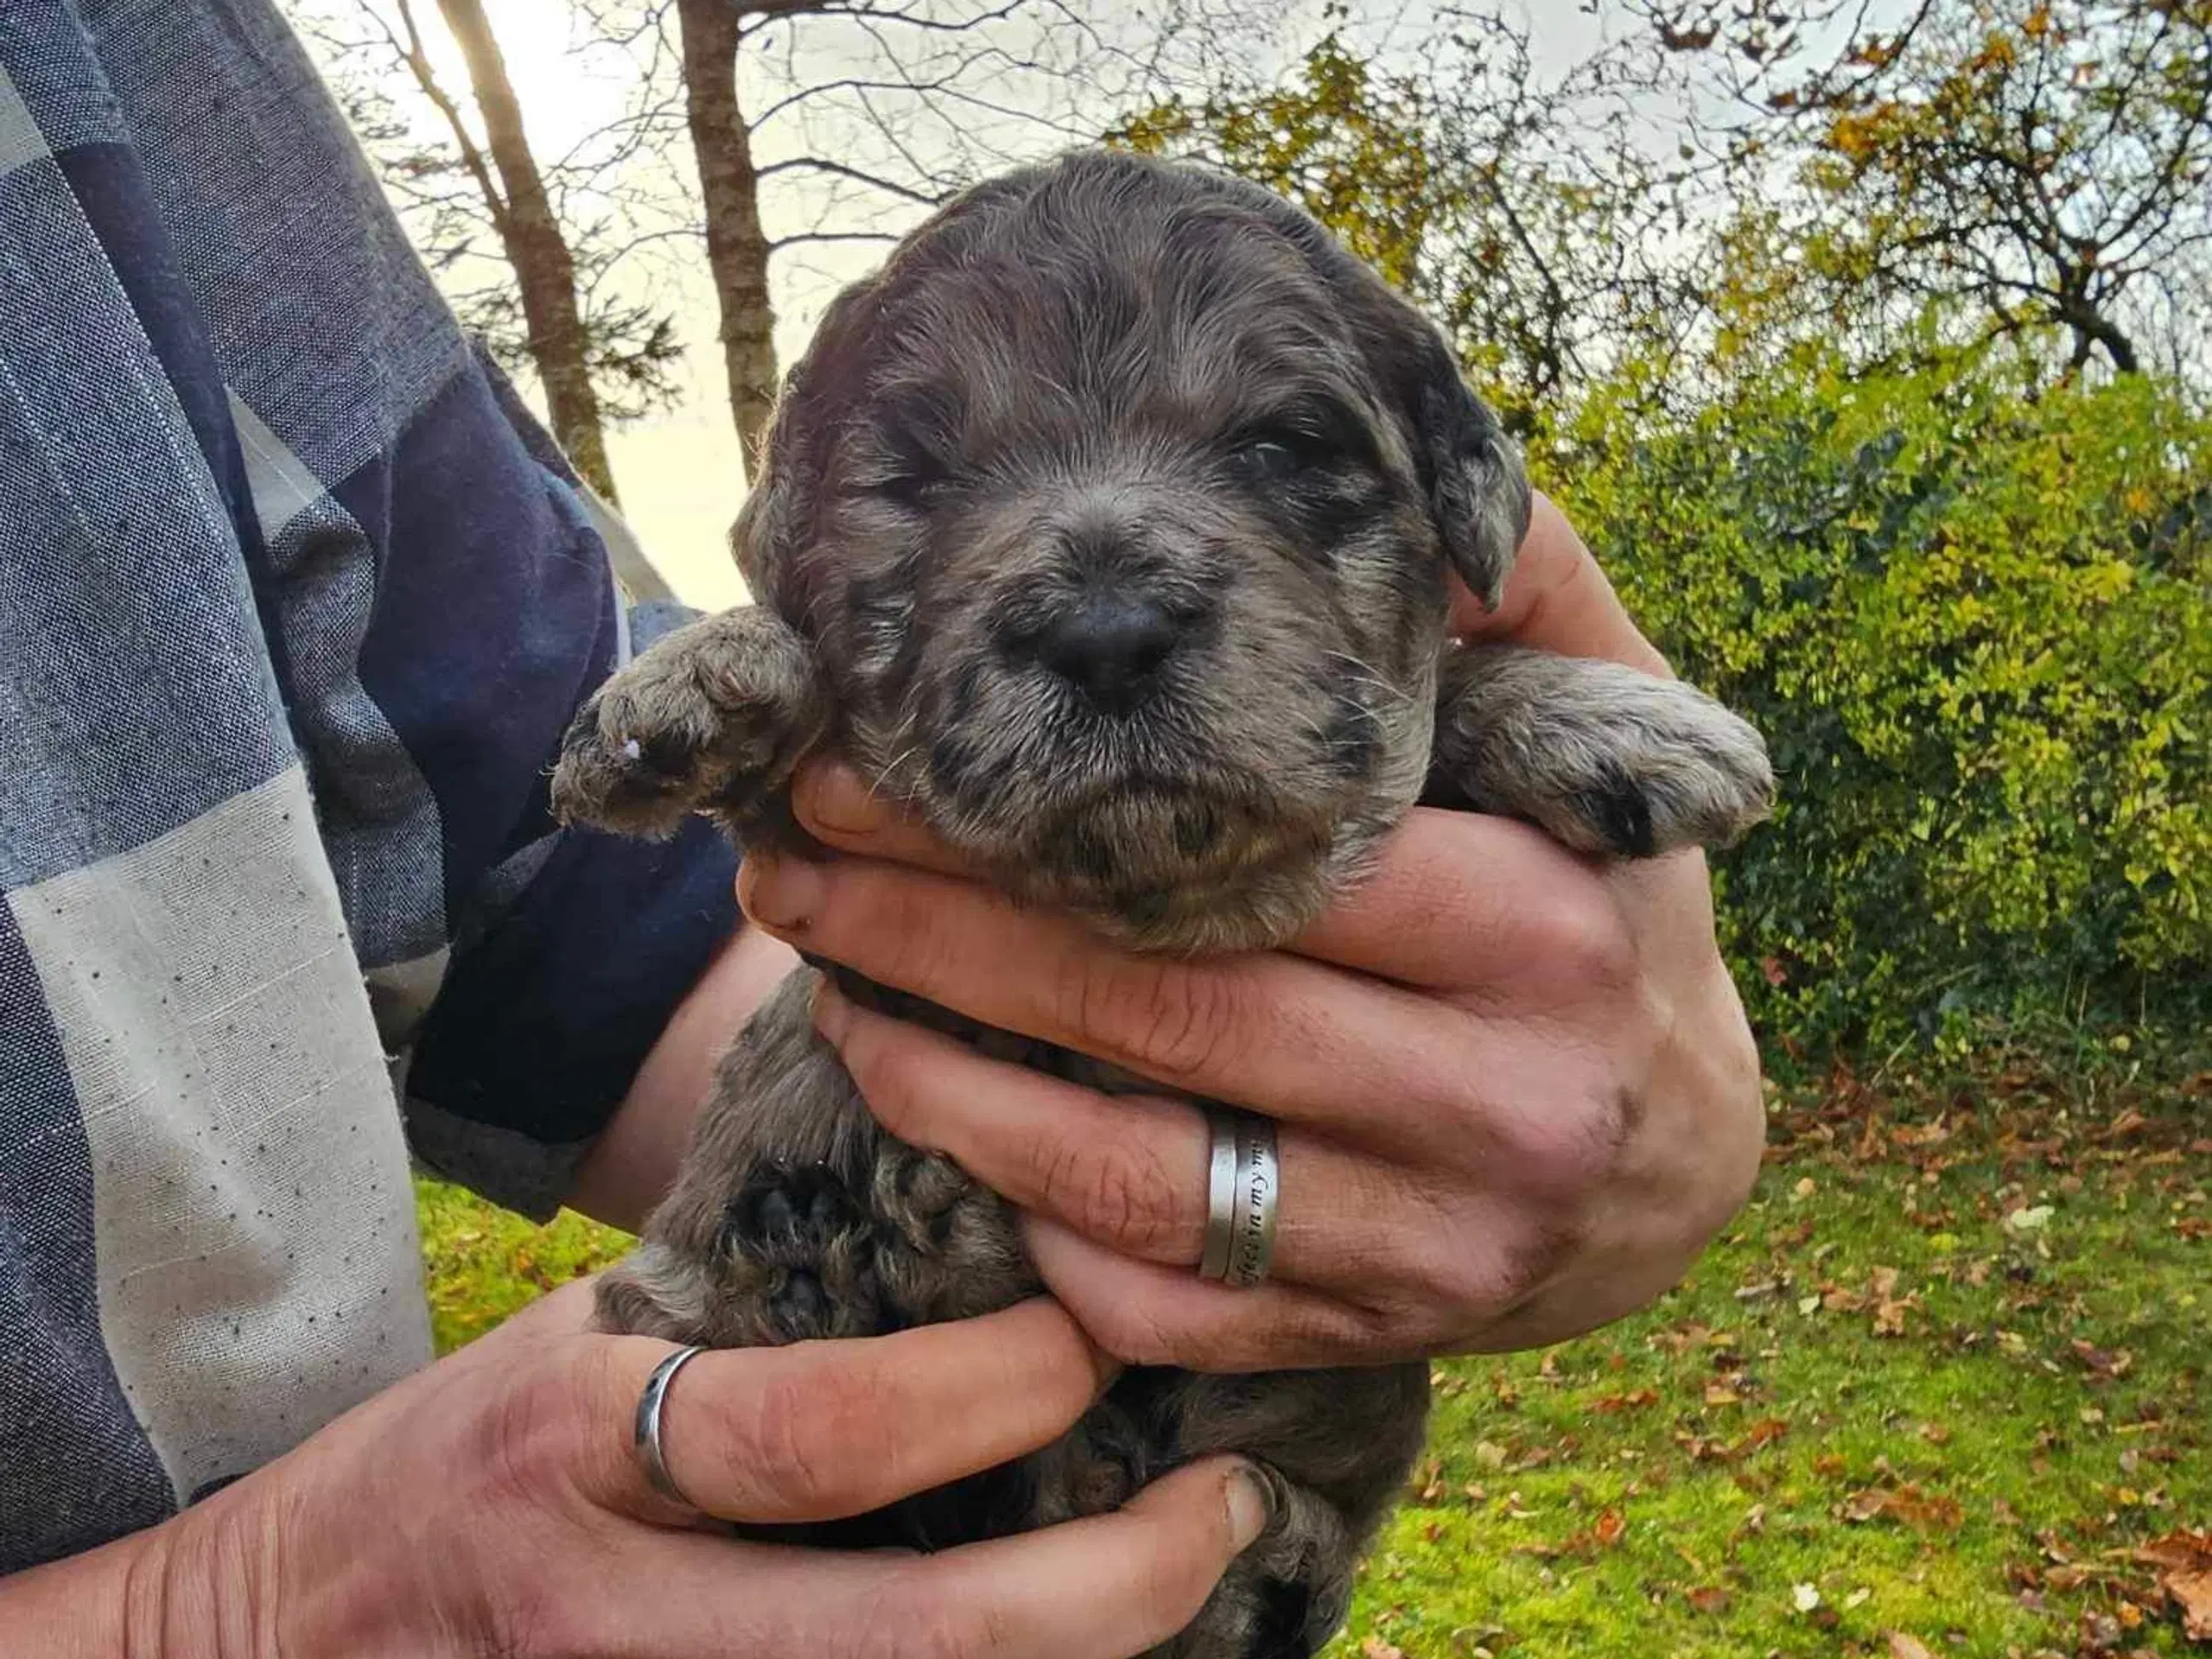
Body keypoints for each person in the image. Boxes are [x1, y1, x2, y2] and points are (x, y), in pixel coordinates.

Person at [0, 3, 1764, 1655]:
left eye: (1283, 444)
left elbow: (616, 905)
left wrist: (1525, 1062)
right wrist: (229, 1610)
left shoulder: (131, 63)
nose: (1099, 594)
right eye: (931, 475)